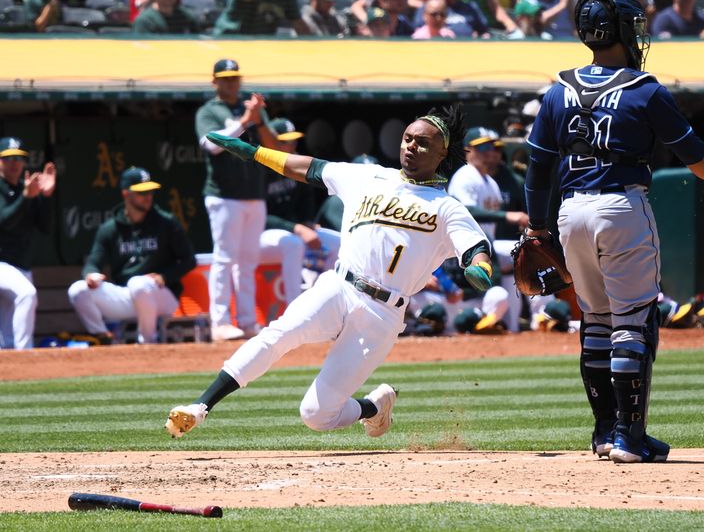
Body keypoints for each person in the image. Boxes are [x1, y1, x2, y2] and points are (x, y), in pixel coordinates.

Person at [164, 104, 494, 440]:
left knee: (316, 415)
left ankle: (373, 407)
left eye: (422, 143)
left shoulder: (446, 206)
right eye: (407, 138)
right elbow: (307, 167)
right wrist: (256, 153)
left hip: (381, 316)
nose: (411, 146)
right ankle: (200, 406)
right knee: (279, 333)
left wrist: (478, 266)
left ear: (442, 153)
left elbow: (475, 247)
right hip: (340, 286)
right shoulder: (367, 176)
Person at [524, 0, 704, 463]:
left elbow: (538, 166)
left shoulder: (559, 89)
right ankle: (629, 436)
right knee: (635, 321)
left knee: (595, 321)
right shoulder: (643, 89)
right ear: (621, 31)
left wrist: (538, 227)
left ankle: (603, 433)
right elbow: (691, 150)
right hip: (622, 207)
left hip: (570, 213)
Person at [196, 58, 281, 341]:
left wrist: (258, 120)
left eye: (235, 78)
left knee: (248, 261)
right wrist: (245, 122)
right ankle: (219, 322)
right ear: (215, 82)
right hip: (223, 196)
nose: (231, 83)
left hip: (254, 194)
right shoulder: (209, 110)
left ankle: (246, 321)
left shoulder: (249, 107)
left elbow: (275, 146)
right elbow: (211, 144)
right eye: (225, 78)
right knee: (224, 258)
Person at [68, 167, 196, 344]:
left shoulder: (166, 222)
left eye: (150, 191)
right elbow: (93, 261)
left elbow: (189, 260)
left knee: (139, 284)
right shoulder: (110, 229)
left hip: (161, 296)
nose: (148, 196)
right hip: (127, 296)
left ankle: (148, 341)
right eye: (141, 192)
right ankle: (102, 337)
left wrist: (165, 276)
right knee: (78, 290)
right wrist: (90, 274)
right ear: (126, 194)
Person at [448, 127, 529, 332]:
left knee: (526, 257)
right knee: (522, 256)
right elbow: (466, 211)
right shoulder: (465, 176)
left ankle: (513, 325)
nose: (490, 152)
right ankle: (485, 320)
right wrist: (507, 216)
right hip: (464, 248)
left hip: (487, 245)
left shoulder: (490, 182)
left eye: (494, 147)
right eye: (483, 146)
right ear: (467, 150)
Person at [258, 117, 340, 304]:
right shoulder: (260, 170)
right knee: (293, 244)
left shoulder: (295, 166)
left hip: (292, 230)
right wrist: (296, 227)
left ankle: (320, 300)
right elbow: (260, 217)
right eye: (286, 142)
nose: (292, 145)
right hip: (261, 236)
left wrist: (307, 222)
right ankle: (293, 310)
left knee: (339, 244)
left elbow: (306, 202)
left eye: (293, 140)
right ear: (272, 142)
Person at [0, 138, 56, 350]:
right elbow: (4, 221)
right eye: (8, 158)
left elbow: (45, 226)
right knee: (27, 294)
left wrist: (46, 196)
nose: (14, 163)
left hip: (20, 265)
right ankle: (25, 354)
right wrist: (26, 197)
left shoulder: (27, 188)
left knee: (6, 337)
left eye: (18, 158)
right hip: (2, 264)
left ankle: (12, 368)